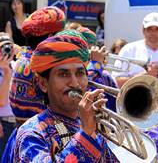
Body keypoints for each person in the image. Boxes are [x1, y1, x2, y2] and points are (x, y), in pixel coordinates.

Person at [13, 30, 119, 162]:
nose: (75, 83)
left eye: (80, 73)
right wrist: (85, 133)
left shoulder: (89, 124)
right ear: (43, 83)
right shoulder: (31, 134)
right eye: (63, 74)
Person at [1, 6, 66, 163]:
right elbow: (61, 110)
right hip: (39, 141)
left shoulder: (24, 58)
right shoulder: (40, 66)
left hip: (21, 136)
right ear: (50, 36)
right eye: (60, 36)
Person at [112, 12, 158, 88]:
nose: (153, 33)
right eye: (149, 29)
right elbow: (116, 82)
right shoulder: (128, 50)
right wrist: (145, 75)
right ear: (143, 30)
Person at [0, 32, 16, 159]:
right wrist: (6, 72)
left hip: (17, 123)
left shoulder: (17, 66)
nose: (6, 51)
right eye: (3, 48)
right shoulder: (6, 71)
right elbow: (1, 101)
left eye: (9, 47)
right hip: (3, 125)